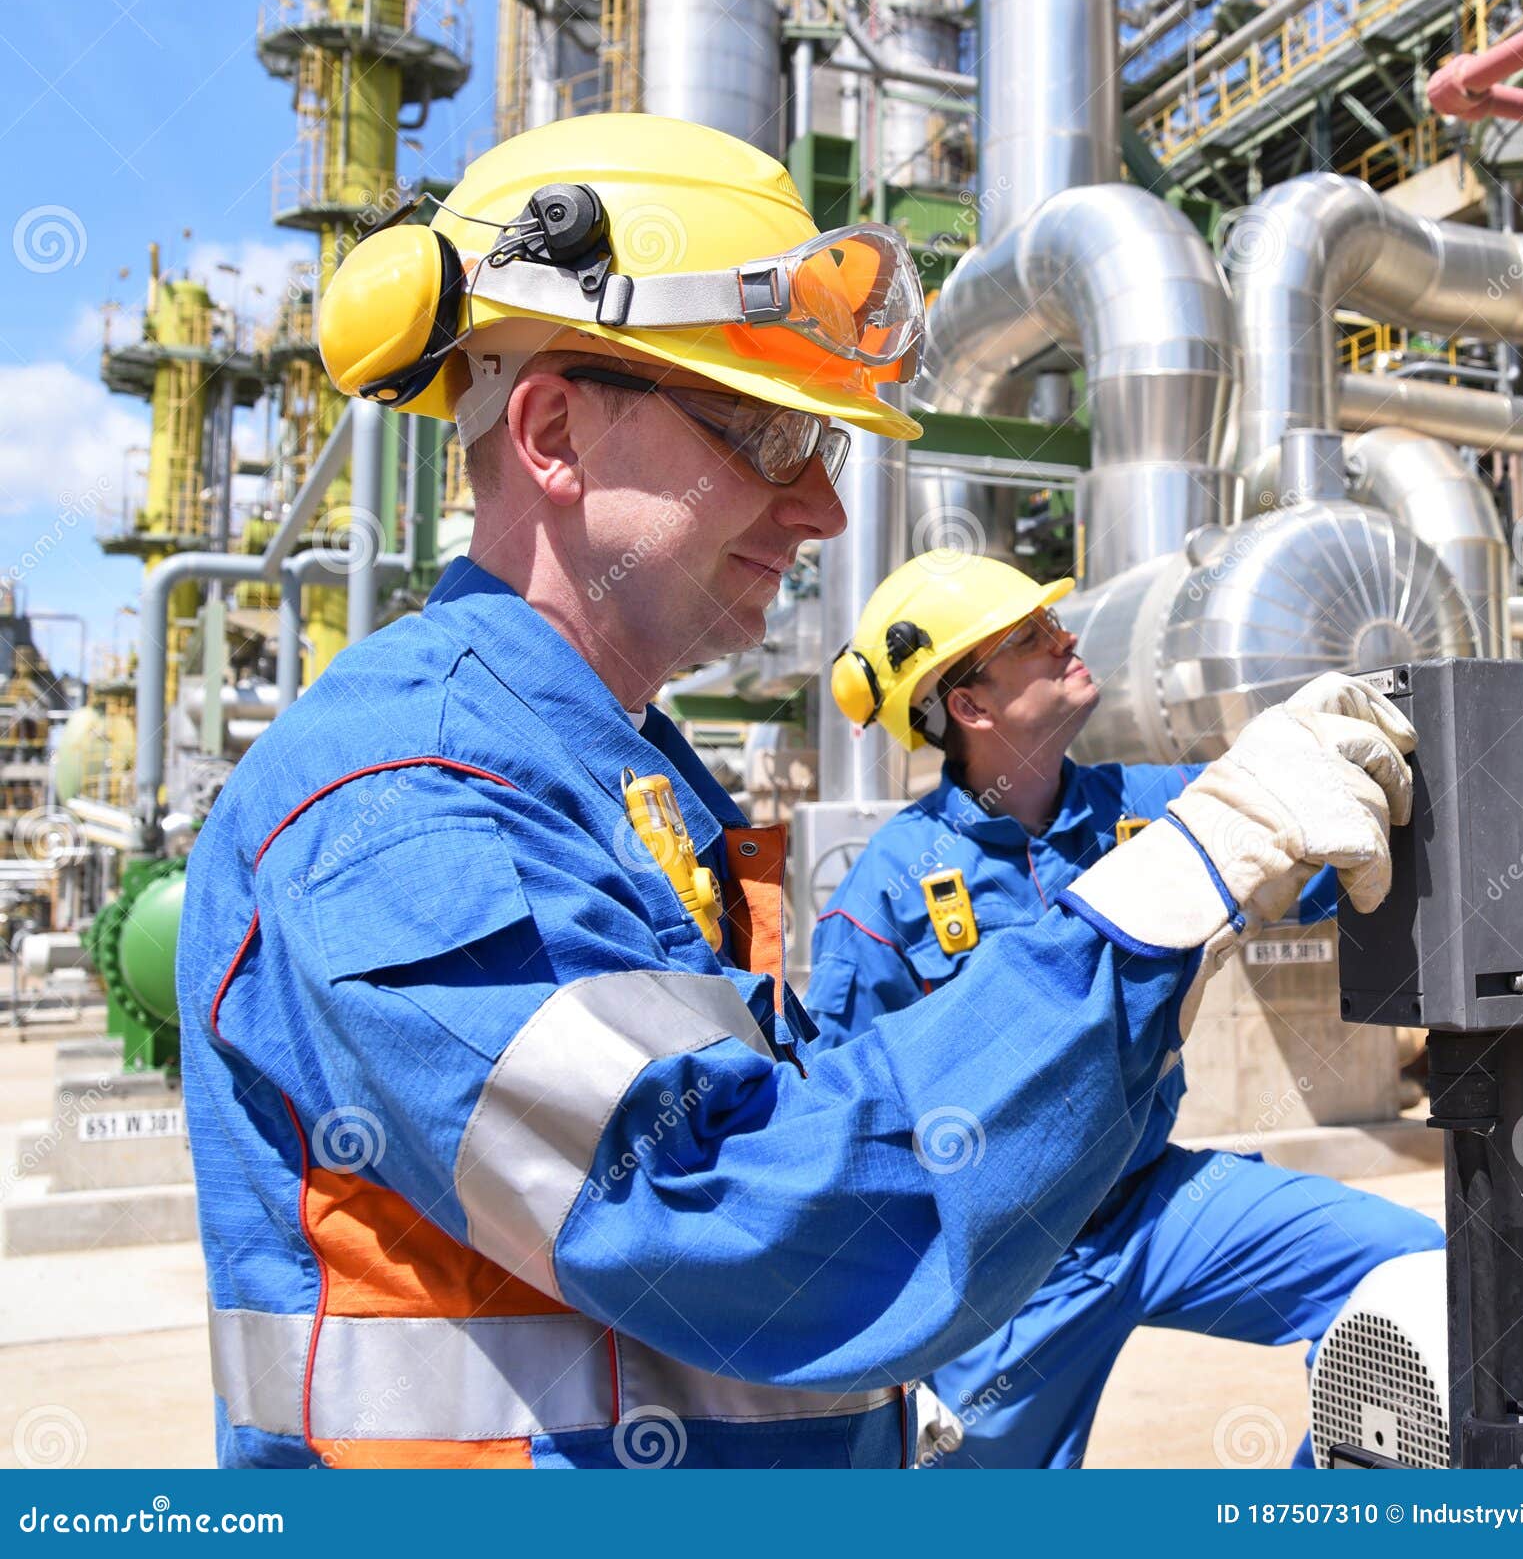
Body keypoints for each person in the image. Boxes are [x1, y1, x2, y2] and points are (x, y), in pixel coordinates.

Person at [175, 114, 1417, 1470]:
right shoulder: (407, 796)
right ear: (549, 431)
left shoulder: (624, 776)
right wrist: (1167, 892)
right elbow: (724, 1216)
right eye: (768, 433)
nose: (824, 510)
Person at [809, 551, 1445, 1469]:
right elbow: (850, 1129)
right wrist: (891, 1352)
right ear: (970, 706)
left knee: (1411, 1273)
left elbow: (1319, 866)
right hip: (1004, 1265)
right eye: (1031, 637)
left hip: (1150, 1204)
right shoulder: (887, 892)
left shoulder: (1150, 807)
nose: (1067, 638)